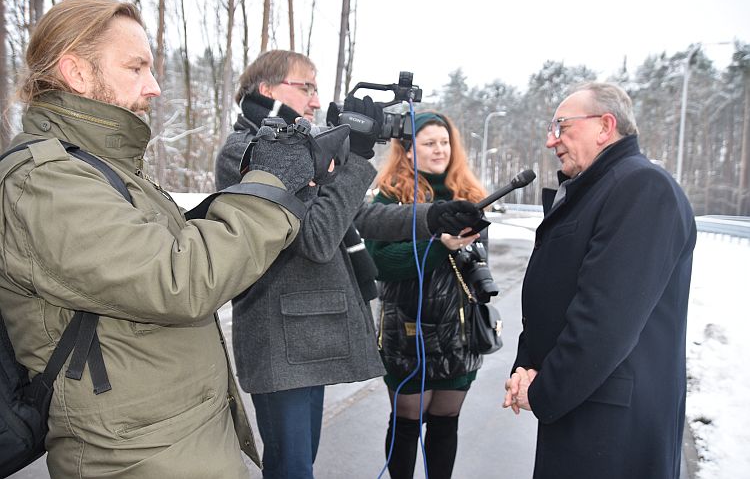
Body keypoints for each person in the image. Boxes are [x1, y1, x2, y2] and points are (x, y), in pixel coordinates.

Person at [0, 0, 326, 478]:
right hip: (137, 455)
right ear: (76, 72)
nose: (153, 86)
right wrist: (269, 188)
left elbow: (170, 245)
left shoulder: (102, 167)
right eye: (136, 68)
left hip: (174, 437)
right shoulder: (44, 181)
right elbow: (177, 278)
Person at [215, 51, 484, 479]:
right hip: (279, 337)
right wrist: (356, 156)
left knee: (302, 465)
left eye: (317, 89)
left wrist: (431, 218)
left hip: (311, 332)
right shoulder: (247, 152)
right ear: (266, 90)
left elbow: (352, 216)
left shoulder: (300, 144)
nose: (317, 100)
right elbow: (318, 238)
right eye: (307, 87)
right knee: (292, 469)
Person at [503, 82, 697, 479]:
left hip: (613, 427)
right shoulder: (598, 189)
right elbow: (558, 294)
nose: (549, 140)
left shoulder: (641, 187)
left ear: (605, 126)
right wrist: (527, 366)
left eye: (561, 126)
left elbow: (604, 320)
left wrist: (543, 389)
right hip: (586, 405)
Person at [365, 111, 489, 479]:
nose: (440, 150)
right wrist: (440, 247)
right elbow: (380, 263)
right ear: (407, 150)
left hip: (458, 329)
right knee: (407, 421)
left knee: (446, 420)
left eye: (445, 142)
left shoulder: (469, 194)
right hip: (408, 327)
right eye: (430, 143)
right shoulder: (390, 197)